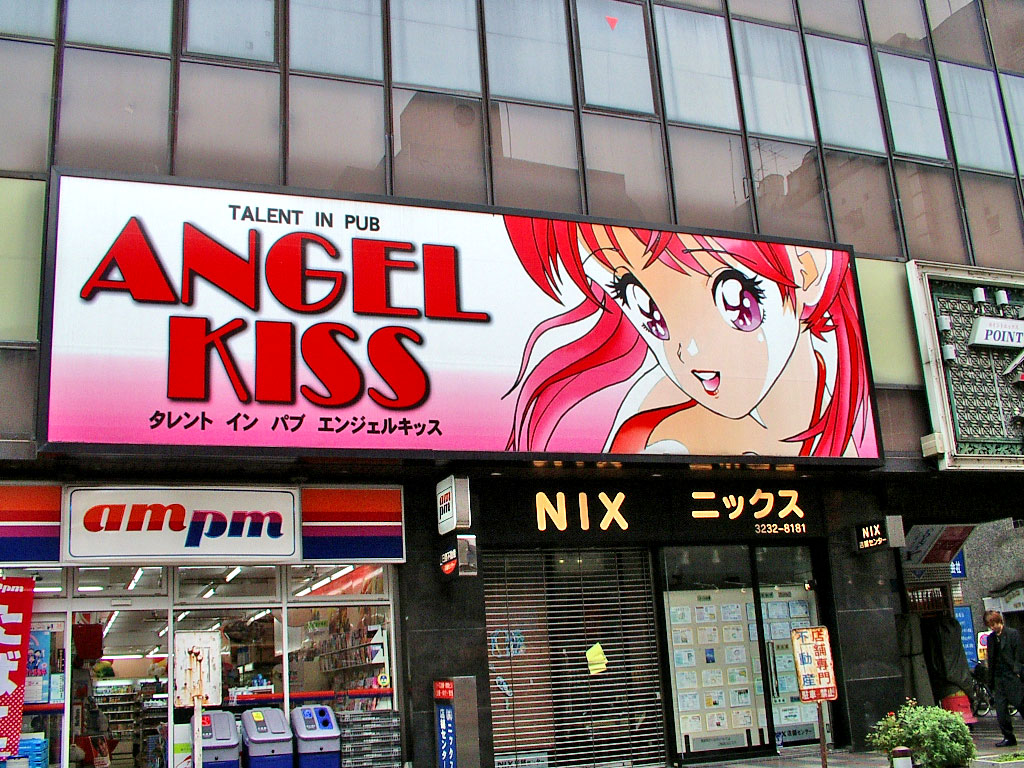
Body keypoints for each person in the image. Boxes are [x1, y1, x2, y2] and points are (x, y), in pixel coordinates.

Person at [503, 216, 877, 457]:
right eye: (647, 309)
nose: (687, 352)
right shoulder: (653, 438)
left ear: (806, 270)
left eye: (733, 299)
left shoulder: (850, 423)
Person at [984, 609, 1024, 747]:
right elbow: (991, 659)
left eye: (994, 624)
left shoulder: (1012, 634)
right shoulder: (991, 638)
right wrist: (990, 680)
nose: (993, 627)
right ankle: (1008, 737)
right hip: (998, 677)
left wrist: (1017, 671)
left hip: (1011, 675)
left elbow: (1019, 653)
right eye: (990, 625)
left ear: (999, 621)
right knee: (1001, 710)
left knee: (1020, 704)